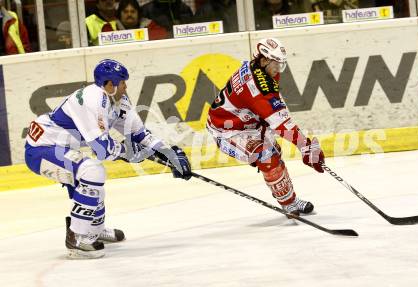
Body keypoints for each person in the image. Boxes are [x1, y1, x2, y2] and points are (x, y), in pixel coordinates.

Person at [24, 59, 192, 259]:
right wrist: (130, 153)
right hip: (41, 149)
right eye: (122, 82)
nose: (126, 86)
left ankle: (94, 230)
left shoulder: (119, 101)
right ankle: (77, 236)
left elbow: (140, 135)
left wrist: (169, 153)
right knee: (92, 171)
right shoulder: (92, 99)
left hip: (61, 147)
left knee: (91, 181)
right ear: (109, 84)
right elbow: (102, 149)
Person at [206, 38, 325, 217]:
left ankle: (291, 200)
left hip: (250, 123)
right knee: (266, 157)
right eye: (276, 64)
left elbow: (277, 110)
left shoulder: (261, 69)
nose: (279, 69)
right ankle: (288, 204)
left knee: (274, 153)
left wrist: (304, 145)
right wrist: (305, 146)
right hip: (227, 130)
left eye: (282, 64)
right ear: (263, 60)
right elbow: (280, 123)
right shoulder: (255, 87)